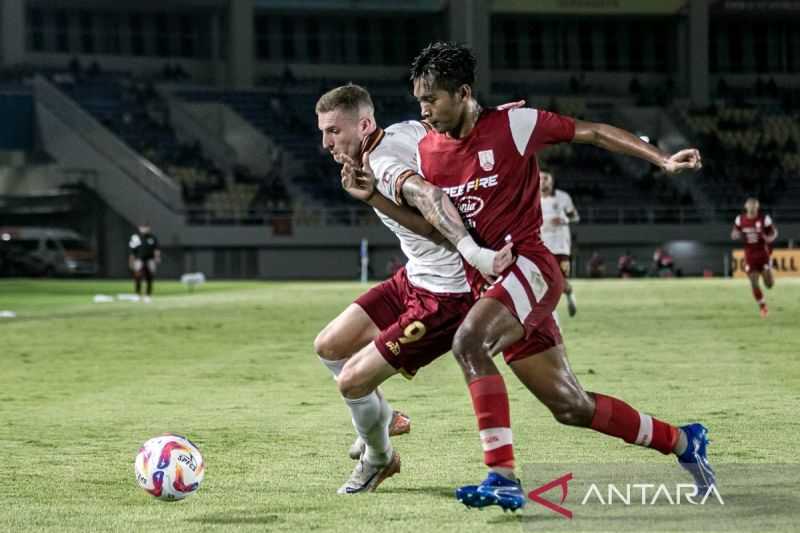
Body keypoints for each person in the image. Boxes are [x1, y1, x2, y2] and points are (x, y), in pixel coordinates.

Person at [342, 41, 713, 511]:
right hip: (493, 287)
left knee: (469, 343)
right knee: (570, 406)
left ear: (463, 93)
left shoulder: (513, 125)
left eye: (432, 99)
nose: (424, 111)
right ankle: (684, 441)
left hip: (531, 267)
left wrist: (661, 159)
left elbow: (593, 132)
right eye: (419, 100)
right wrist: (376, 198)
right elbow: (433, 227)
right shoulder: (427, 150)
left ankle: (501, 476)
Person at [313, 84, 514, 494]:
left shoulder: (383, 163)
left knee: (351, 382)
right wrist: (488, 118)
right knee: (329, 345)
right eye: (323, 131)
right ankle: (384, 421)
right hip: (415, 277)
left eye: (334, 131)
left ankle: (379, 459)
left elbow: (435, 216)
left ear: (365, 124)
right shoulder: (405, 130)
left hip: (446, 297)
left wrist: (372, 197)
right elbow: (441, 125)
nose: (326, 143)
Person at [540, 168, 580, 316]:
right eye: (541, 178)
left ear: (552, 180)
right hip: (541, 247)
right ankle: (548, 314)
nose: (543, 181)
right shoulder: (532, 199)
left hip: (560, 247)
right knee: (542, 282)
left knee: (561, 281)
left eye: (546, 178)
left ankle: (569, 295)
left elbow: (575, 217)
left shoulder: (563, 198)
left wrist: (564, 219)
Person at [731, 197, 778, 317]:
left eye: (754, 206)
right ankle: (763, 307)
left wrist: (769, 238)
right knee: (753, 282)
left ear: (757, 207)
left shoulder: (764, 219)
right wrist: (735, 235)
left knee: (769, 285)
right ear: (746, 207)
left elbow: (774, 232)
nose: (752, 208)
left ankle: (770, 271)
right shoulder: (740, 219)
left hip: (763, 254)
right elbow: (734, 233)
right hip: (750, 256)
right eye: (750, 206)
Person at [128, 222, 160, 303]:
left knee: (149, 277)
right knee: (137, 277)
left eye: (146, 227)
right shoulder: (135, 237)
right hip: (139, 259)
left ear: (149, 228)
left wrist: (157, 258)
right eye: (142, 227)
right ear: (139, 228)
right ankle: (137, 295)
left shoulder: (152, 237)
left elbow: (156, 249)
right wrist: (131, 261)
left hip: (150, 260)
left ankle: (148, 295)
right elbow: (132, 251)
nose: (144, 229)